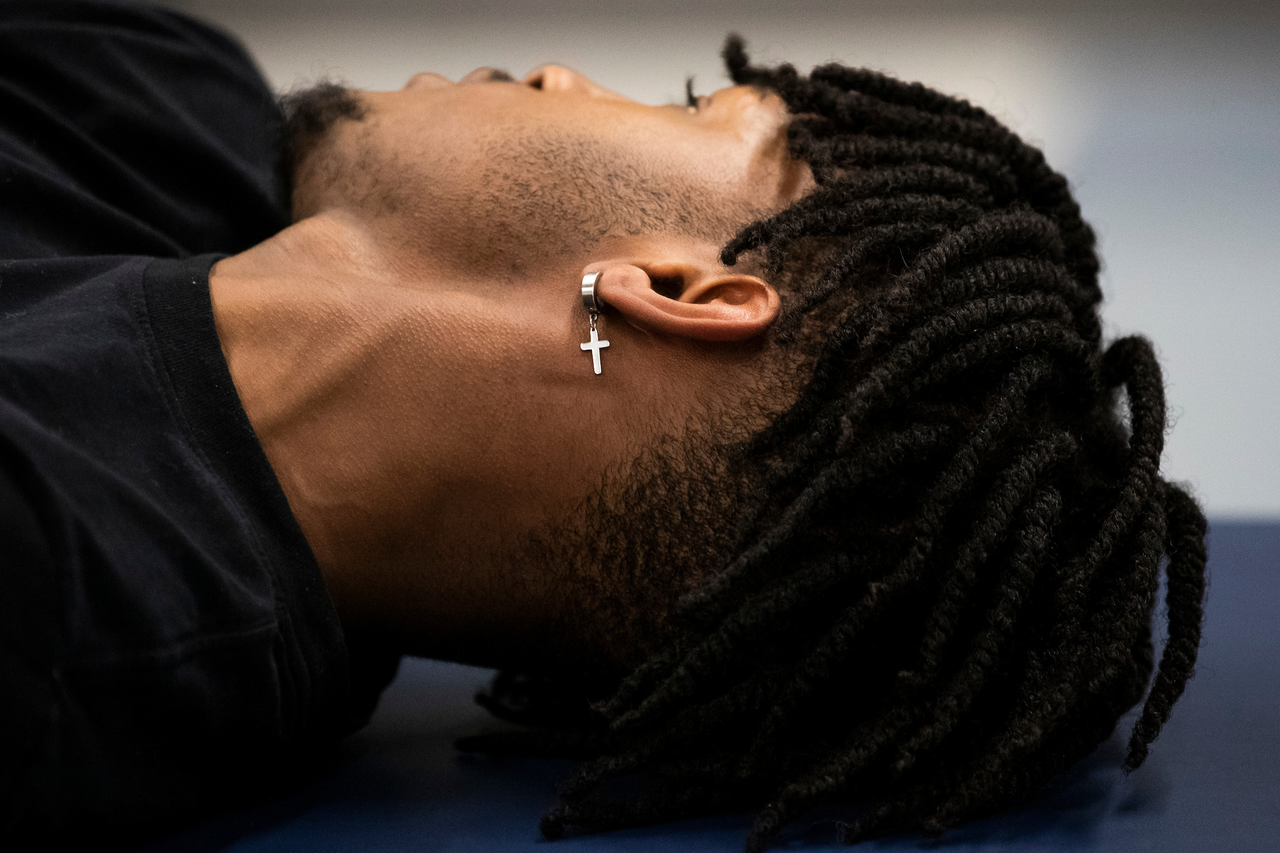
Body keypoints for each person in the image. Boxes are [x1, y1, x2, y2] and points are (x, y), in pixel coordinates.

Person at [0, 0, 1208, 849]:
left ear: (681, 291)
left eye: (690, 109)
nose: (562, 73)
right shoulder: (156, 111)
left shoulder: (57, 596)